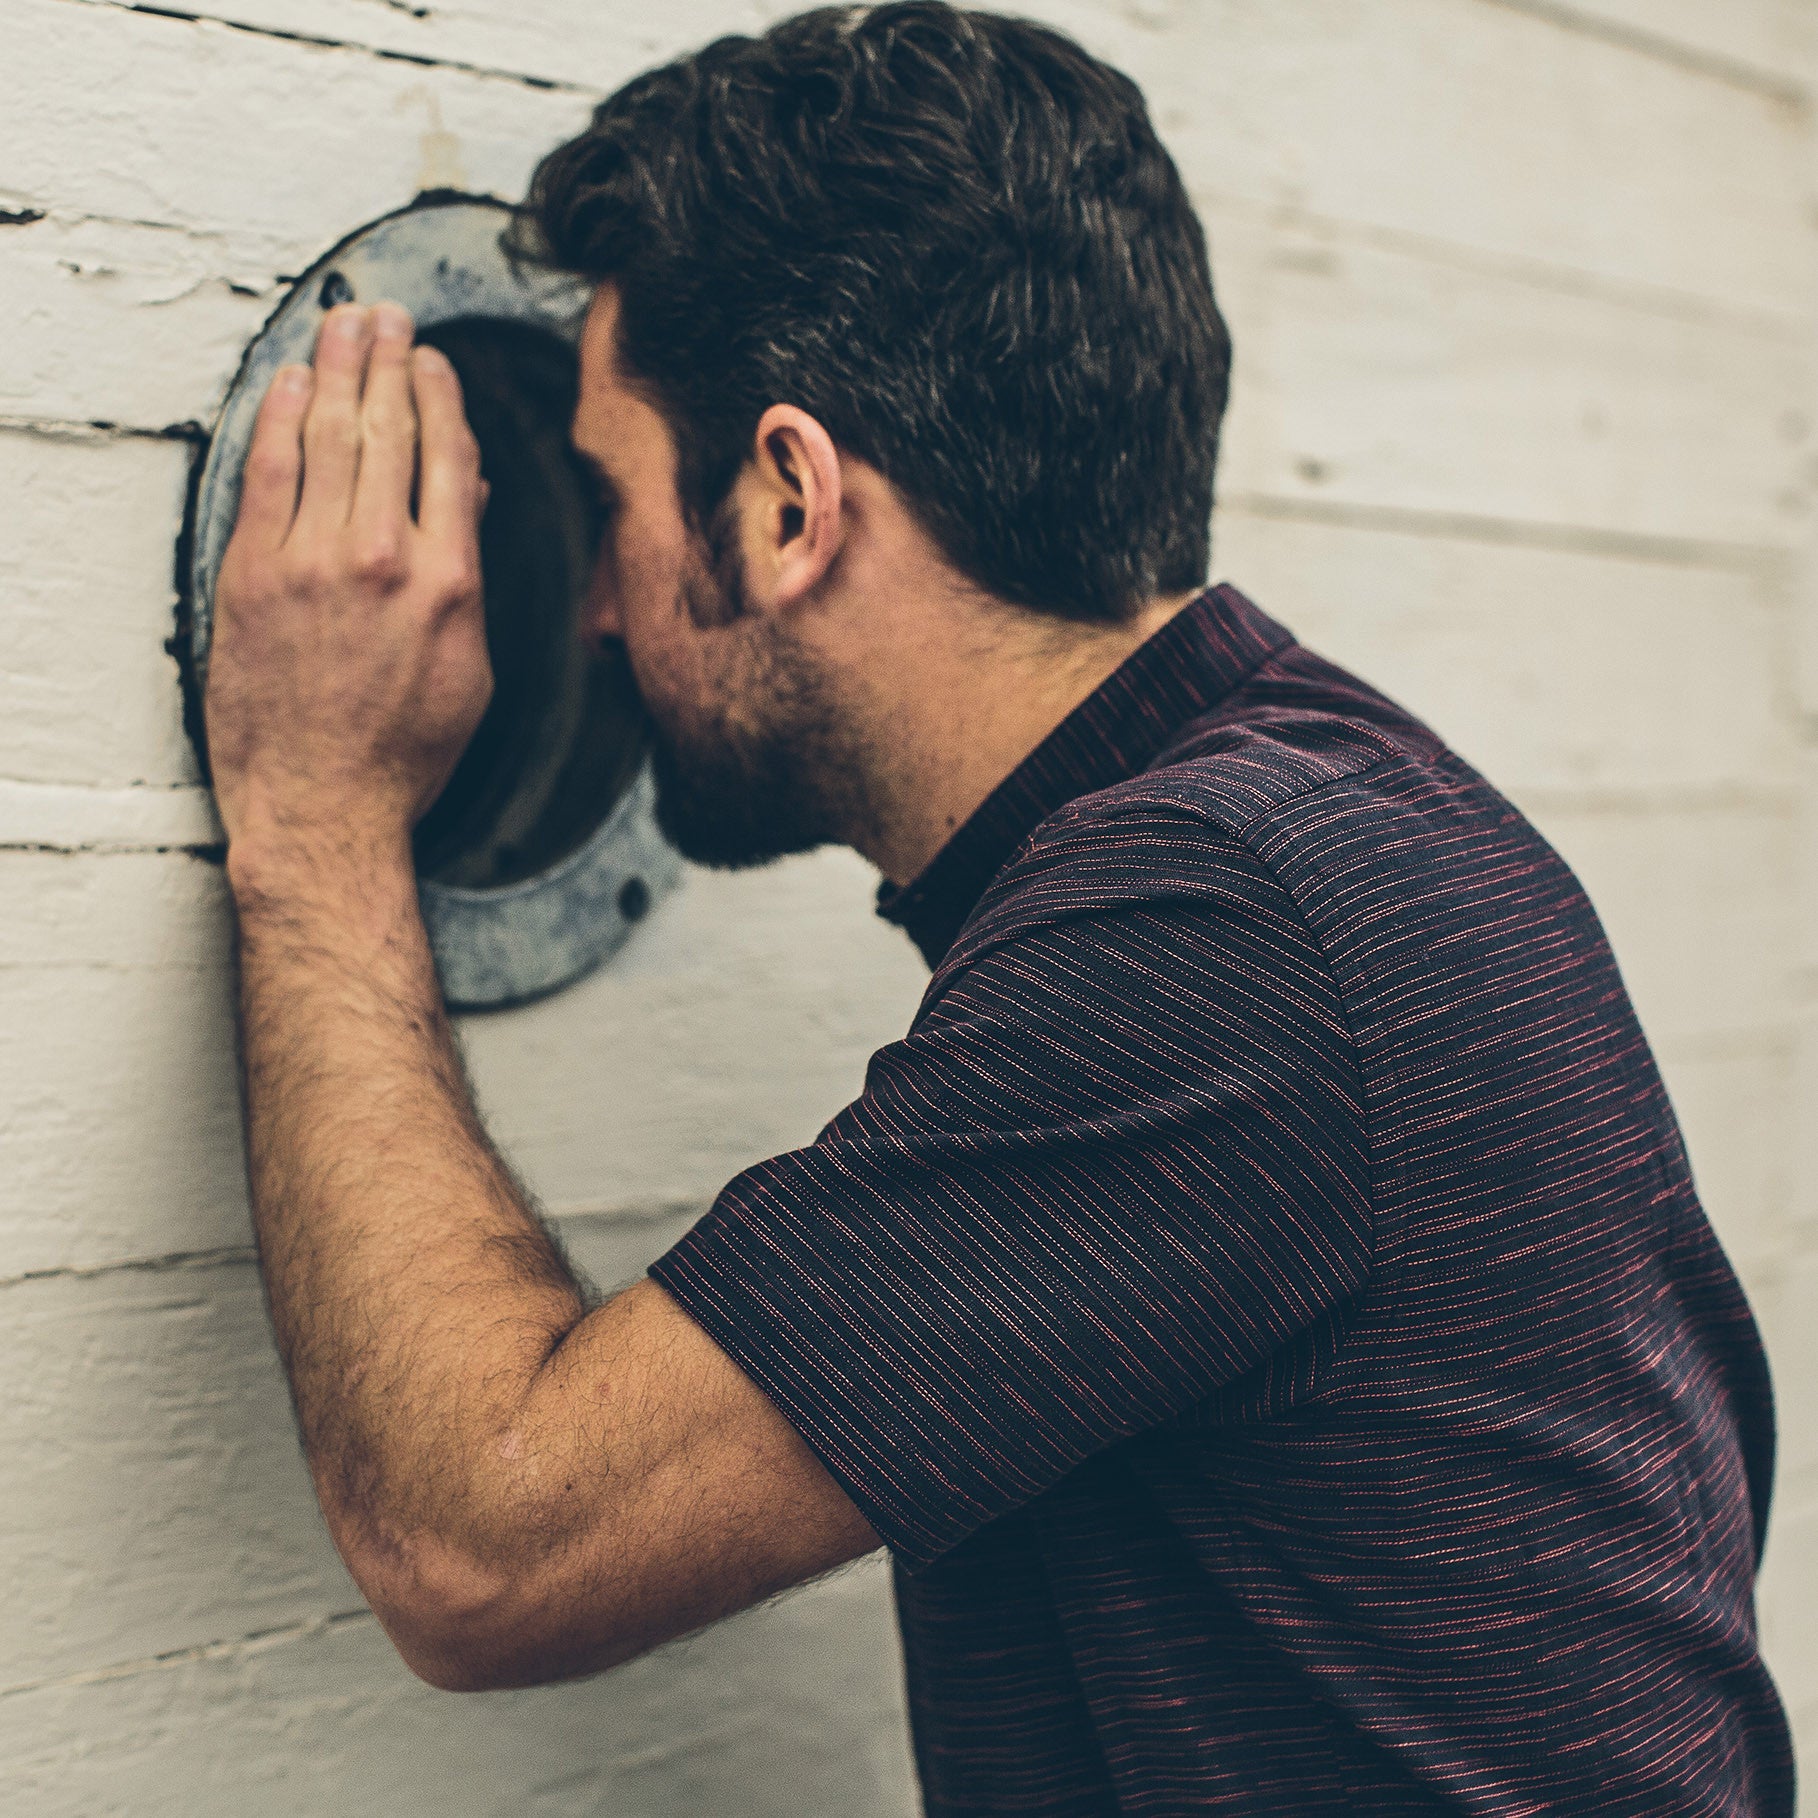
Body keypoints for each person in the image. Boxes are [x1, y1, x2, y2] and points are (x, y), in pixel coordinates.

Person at [202, 4, 1793, 1812]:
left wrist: (320, 820)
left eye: (607, 500)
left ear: (789, 503)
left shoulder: (1220, 928)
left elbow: (489, 1542)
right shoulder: (1325, 803)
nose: (592, 609)